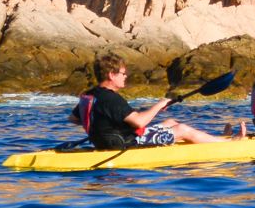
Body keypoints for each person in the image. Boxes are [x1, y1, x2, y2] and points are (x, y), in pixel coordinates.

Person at [71, 52, 223, 150]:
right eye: (123, 73)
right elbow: (139, 123)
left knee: (170, 122)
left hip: (111, 140)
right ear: (112, 75)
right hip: (126, 143)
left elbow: (74, 118)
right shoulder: (110, 98)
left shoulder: (91, 94)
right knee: (182, 129)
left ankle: (216, 139)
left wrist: (104, 123)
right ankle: (228, 145)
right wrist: (159, 104)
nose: (126, 76)